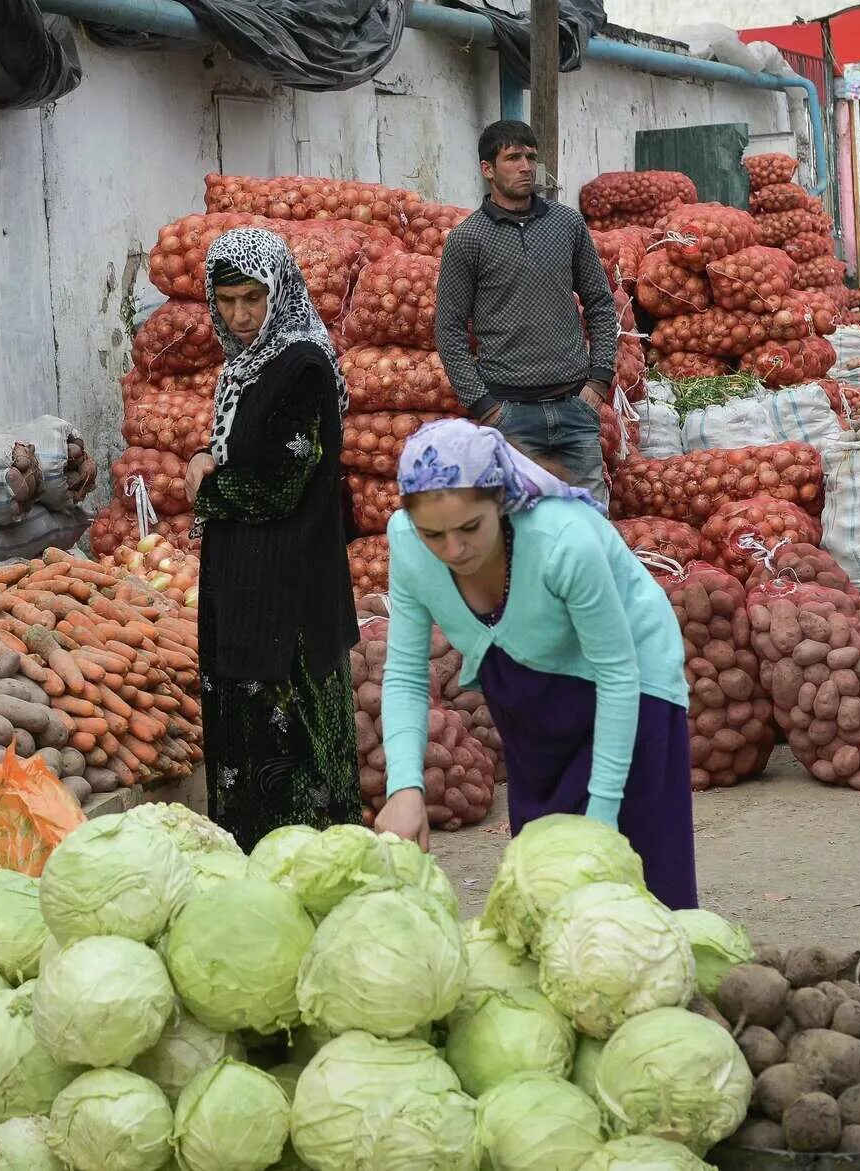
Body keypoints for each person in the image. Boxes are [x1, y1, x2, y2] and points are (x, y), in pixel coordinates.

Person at [373, 418, 696, 908]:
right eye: (433, 535)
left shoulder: (563, 540)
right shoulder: (406, 544)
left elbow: (617, 671)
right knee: (544, 878)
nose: (453, 550)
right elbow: (405, 673)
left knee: (640, 874)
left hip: (631, 683)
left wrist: (603, 821)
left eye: (469, 528)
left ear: (500, 501)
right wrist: (405, 788)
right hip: (528, 680)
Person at [184, 227, 359, 851]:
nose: (240, 315)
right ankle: (255, 867)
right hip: (246, 583)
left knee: (291, 745)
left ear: (279, 290)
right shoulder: (244, 367)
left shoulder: (302, 365)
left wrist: (204, 489)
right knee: (246, 738)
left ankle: (310, 869)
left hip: (289, 586)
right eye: (227, 301)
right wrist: (211, 455)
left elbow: (281, 482)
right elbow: (247, 451)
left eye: (253, 298)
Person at [436, 119, 619, 504]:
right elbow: (449, 330)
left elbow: (600, 303)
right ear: (487, 169)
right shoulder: (467, 240)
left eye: (531, 157)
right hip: (510, 417)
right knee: (521, 530)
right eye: (513, 157)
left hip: (575, 408)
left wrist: (599, 380)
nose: (525, 167)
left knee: (591, 524)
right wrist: (486, 408)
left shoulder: (566, 224)